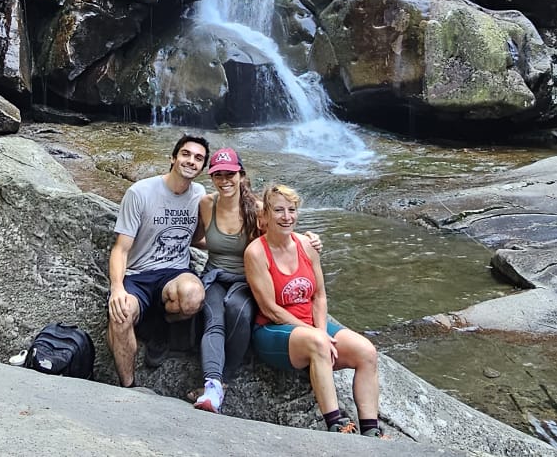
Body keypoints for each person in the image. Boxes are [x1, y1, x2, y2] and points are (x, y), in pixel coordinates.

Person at [244, 183, 388, 437]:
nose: (286, 217)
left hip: (312, 326)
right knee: (319, 343)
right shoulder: (256, 253)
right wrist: (318, 335)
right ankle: (336, 424)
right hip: (273, 330)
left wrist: (321, 329)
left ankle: (370, 429)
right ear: (265, 215)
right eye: (278, 210)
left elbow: (319, 295)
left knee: (366, 351)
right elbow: (271, 308)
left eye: (291, 210)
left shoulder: (307, 245)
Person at [107, 133, 209, 387]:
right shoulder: (140, 192)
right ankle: (128, 386)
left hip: (174, 272)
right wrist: (117, 288)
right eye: (186, 154)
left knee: (193, 296)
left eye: (198, 158)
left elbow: (197, 238)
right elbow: (121, 248)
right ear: (173, 158)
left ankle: (161, 324)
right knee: (121, 315)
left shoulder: (199, 194)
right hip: (137, 276)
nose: (191, 161)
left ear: (202, 168)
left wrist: (249, 245)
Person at [189, 146, 257, 413]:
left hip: (245, 279)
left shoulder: (257, 209)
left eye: (230, 174)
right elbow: (196, 239)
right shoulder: (206, 204)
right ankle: (212, 386)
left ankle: (225, 378)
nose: (225, 180)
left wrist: (309, 239)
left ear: (241, 175)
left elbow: (279, 240)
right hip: (214, 275)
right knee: (214, 318)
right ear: (212, 177)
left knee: (238, 311)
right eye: (218, 175)